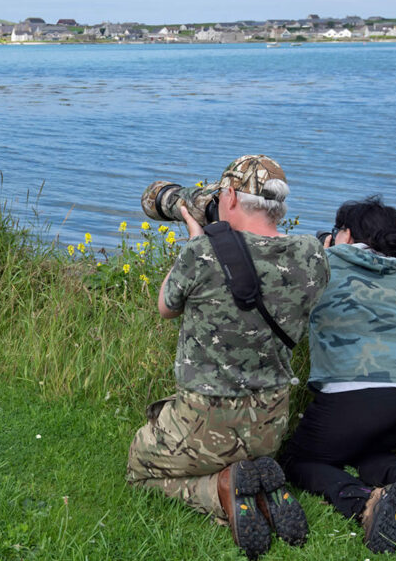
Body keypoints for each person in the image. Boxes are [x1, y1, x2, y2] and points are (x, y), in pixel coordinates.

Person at [126, 155, 330, 559]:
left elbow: (165, 306)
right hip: (270, 422)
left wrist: (196, 239)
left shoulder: (202, 253)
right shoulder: (312, 255)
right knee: (245, 445)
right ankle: (254, 478)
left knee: (140, 470)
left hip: (205, 419)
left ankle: (220, 491)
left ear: (231, 196)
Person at [279, 196, 396, 553]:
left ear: (344, 233)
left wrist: (323, 250)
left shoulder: (323, 263)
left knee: (298, 459)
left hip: (355, 397)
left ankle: (363, 501)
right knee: (363, 454)